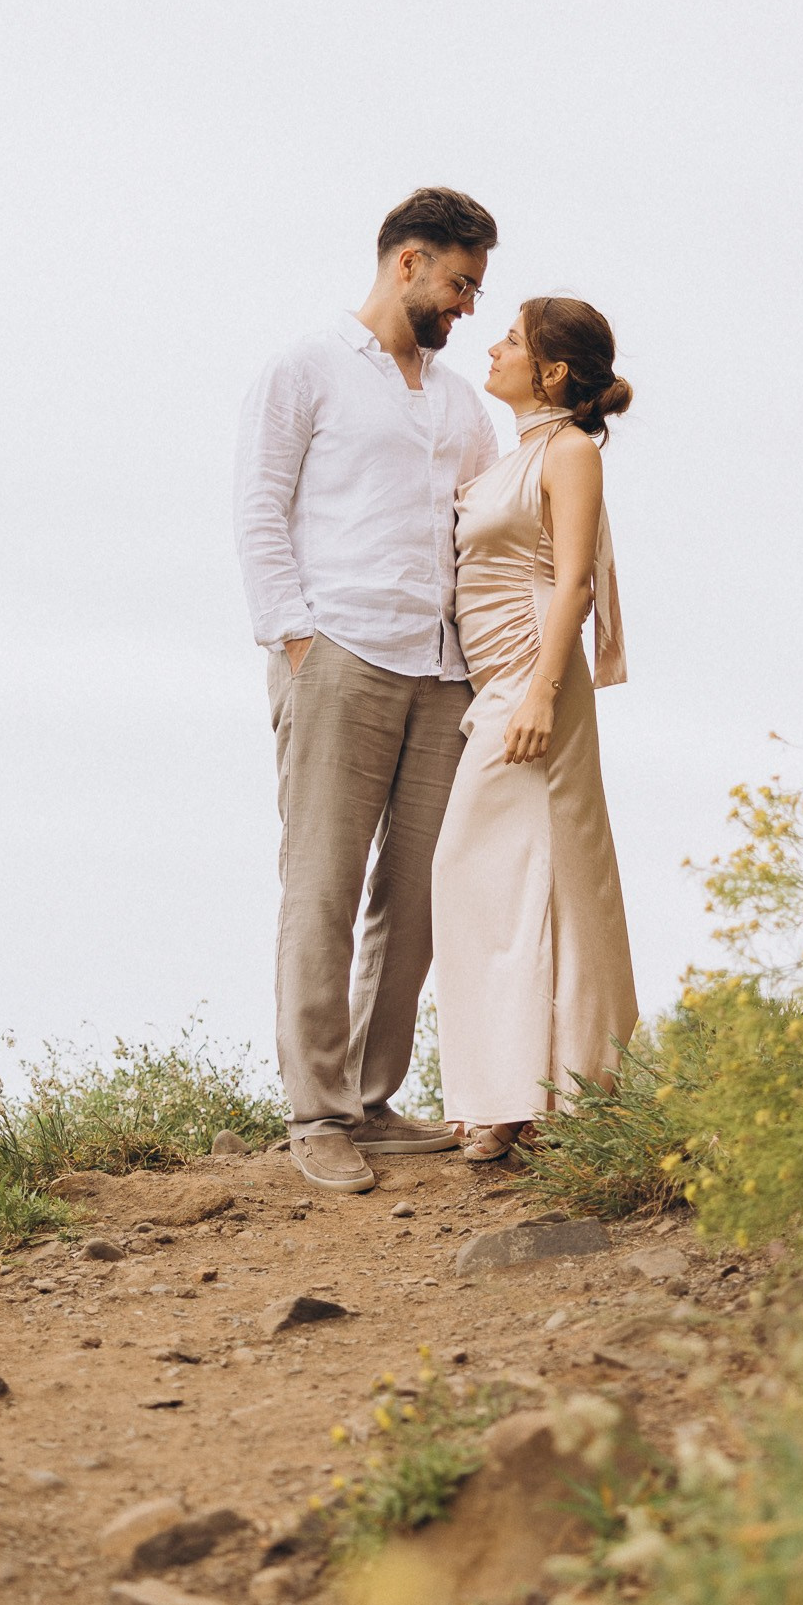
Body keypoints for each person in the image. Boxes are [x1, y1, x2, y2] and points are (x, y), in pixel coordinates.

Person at [234, 188, 501, 1192]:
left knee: (420, 892)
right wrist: (293, 638)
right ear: (408, 264)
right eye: (460, 283)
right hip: (338, 654)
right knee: (323, 885)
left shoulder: (459, 402)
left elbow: (481, 527)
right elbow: (258, 507)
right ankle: (315, 1112)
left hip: (443, 671)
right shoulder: (303, 369)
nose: (469, 305)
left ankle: (373, 1099)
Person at [431, 297, 638, 1162]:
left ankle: (533, 1095)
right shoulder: (514, 453)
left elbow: (574, 584)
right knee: (510, 881)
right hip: (497, 682)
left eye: (511, 340)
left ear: (552, 373)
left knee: (490, 871)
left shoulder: (568, 452)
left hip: (531, 679)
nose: (494, 347)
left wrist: (545, 694)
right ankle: (533, 1093)